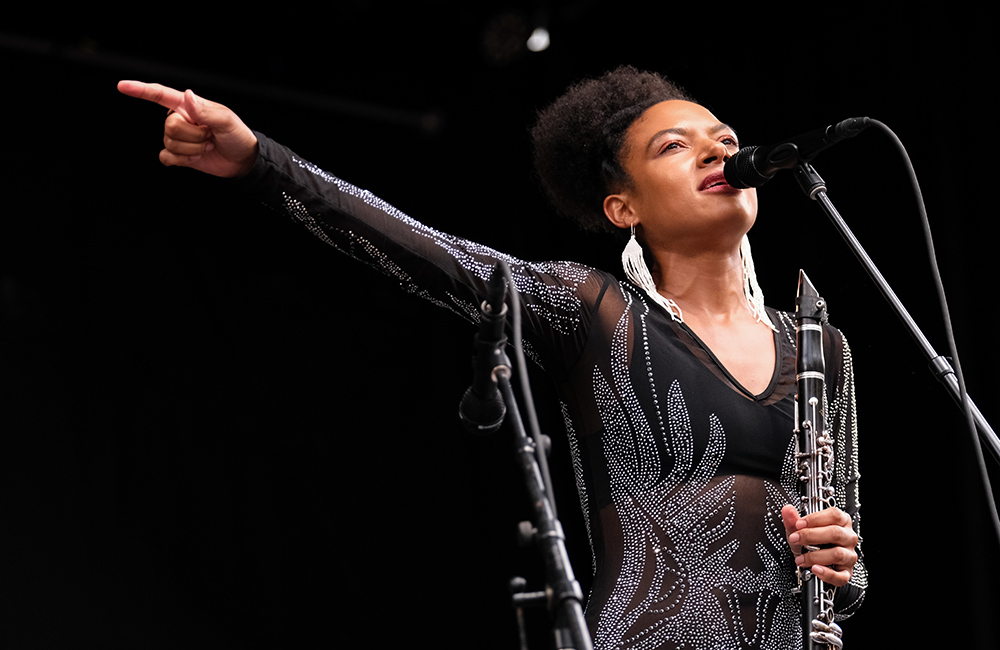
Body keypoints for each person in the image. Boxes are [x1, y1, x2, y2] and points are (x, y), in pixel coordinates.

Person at [118, 66, 865, 649]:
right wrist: (260, 162)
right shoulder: (592, 310)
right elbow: (425, 251)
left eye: (726, 139)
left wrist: (844, 565)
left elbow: (850, 569)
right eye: (674, 146)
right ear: (622, 208)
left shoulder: (817, 345)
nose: (718, 150)